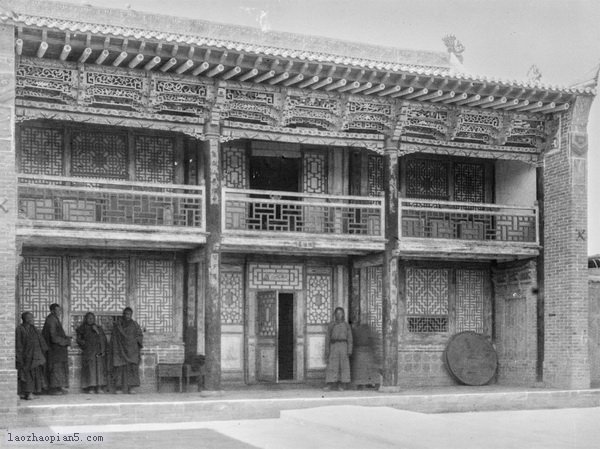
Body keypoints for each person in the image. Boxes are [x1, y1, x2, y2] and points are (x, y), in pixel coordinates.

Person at [111, 307, 143, 394]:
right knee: (120, 368)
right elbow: (114, 338)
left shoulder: (135, 325)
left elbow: (139, 335)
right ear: (123, 314)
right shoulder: (118, 325)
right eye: (125, 314)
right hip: (120, 350)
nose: (127, 316)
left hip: (131, 351)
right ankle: (119, 388)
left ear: (131, 315)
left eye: (129, 314)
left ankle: (131, 388)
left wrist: (135, 342)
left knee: (132, 368)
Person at [16, 312, 48, 400]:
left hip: (35, 356)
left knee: (35, 374)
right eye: (29, 318)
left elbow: (41, 340)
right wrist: (19, 357)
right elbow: (18, 344)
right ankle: (28, 394)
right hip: (26, 356)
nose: (31, 319)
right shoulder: (20, 329)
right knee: (27, 375)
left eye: (32, 317)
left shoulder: (34, 329)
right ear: (25, 319)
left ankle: (31, 392)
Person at [42, 303, 72, 395]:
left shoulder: (54, 319)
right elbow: (53, 337)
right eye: (58, 310)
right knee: (55, 369)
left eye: (60, 310)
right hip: (54, 350)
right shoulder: (51, 320)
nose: (59, 312)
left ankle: (59, 387)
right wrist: (66, 341)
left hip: (58, 350)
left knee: (59, 369)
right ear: (52, 311)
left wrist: (66, 337)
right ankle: (53, 389)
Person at [76, 312, 108, 394]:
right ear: (86, 319)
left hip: (98, 352)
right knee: (90, 370)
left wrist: (97, 331)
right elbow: (79, 340)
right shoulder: (82, 328)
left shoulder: (98, 328)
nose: (91, 320)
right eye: (89, 318)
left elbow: (103, 339)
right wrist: (85, 344)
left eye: (92, 318)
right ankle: (91, 387)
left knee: (99, 369)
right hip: (88, 352)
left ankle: (99, 387)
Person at [324, 307, 353, 391]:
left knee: (343, 366)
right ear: (334, 315)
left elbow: (350, 338)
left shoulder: (346, 325)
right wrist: (327, 350)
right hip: (334, 346)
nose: (338, 315)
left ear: (343, 314)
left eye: (340, 313)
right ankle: (331, 384)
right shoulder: (331, 325)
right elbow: (328, 338)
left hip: (344, 346)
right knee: (332, 365)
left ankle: (342, 385)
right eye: (337, 313)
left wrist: (349, 350)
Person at [351, 321, 381, 390]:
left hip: (363, 352)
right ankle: (364, 383)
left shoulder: (359, 331)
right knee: (364, 370)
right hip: (364, 352)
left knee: (365, 370)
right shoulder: (367, 331)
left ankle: (365, 383)